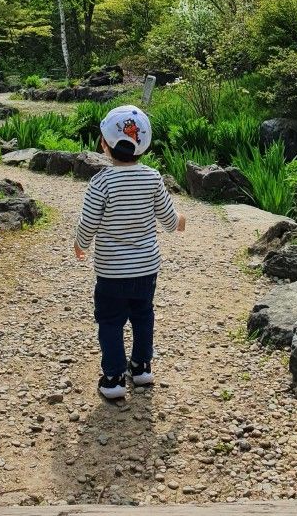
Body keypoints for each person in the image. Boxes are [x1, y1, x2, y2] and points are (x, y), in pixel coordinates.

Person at [74, 104, 186, 399]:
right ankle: (141, 367)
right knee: (143, 315)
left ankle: (112, 378)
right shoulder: (153, 178)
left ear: (104, 144)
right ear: (144, 148)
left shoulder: (101, 182)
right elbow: (168, 218)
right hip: (146, 268)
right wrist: (179, 223)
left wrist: (80, 244)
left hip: (111, 271)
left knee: (110, 321)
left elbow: (88, 223)